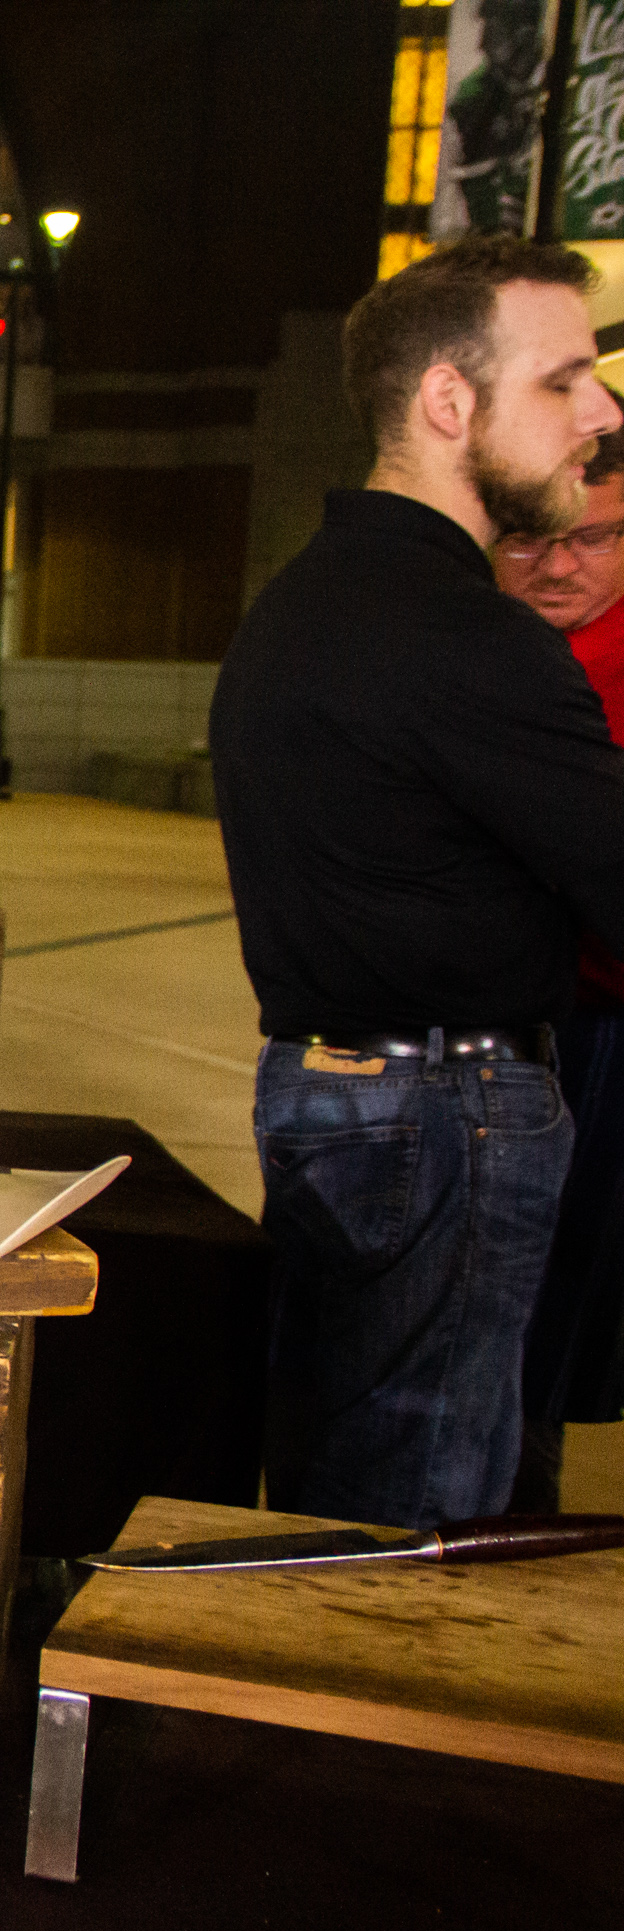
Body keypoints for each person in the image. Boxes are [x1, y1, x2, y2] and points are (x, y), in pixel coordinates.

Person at [210, 233, 624, 1529]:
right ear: (451, 401)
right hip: (451, 1110)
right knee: (417, 1524)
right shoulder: (467, 640)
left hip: (336, 1093)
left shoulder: (304, 605)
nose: (603, 411)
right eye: (565, 380)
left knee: (343, 1492)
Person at [489, 430, 624, 1506]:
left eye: (596, 539)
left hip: (602, 1019)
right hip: (503, 1018)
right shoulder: (479, 644)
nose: (561, 565)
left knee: (562, 1290)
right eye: (535, 542)